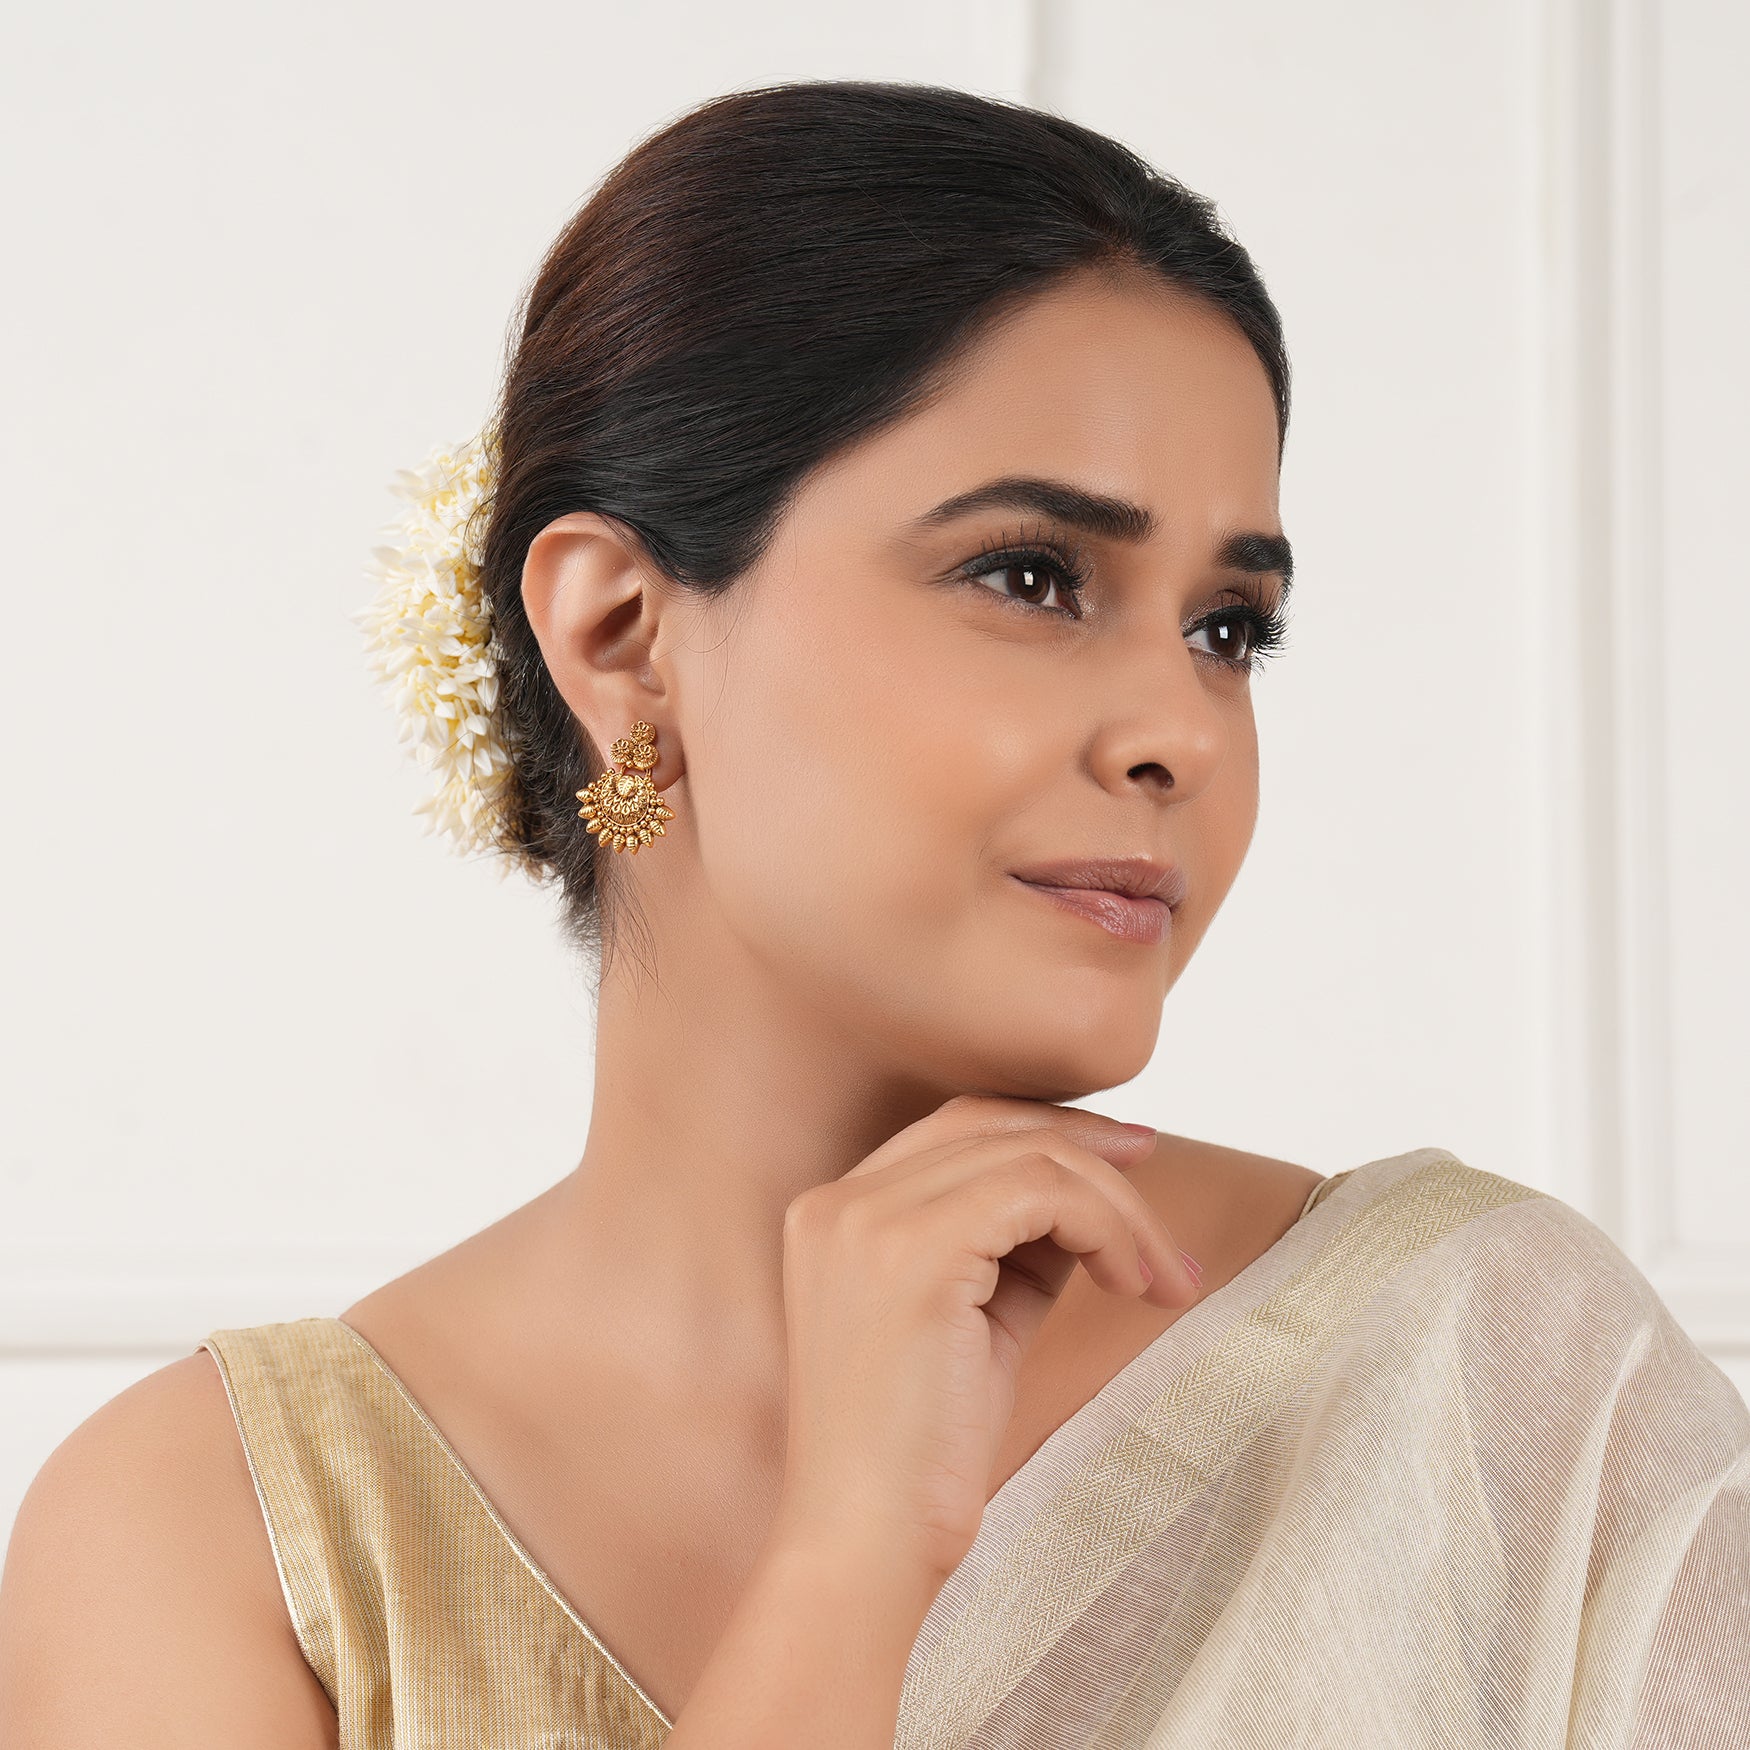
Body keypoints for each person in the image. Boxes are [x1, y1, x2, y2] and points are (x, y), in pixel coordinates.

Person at [1, 78, 1744, 1750]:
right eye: (1031, 575)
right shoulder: (228, 1539)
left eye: (1227, 628)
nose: (1180, 731)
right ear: (621, 636)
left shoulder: (1488, 1374)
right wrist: (848, 1564)